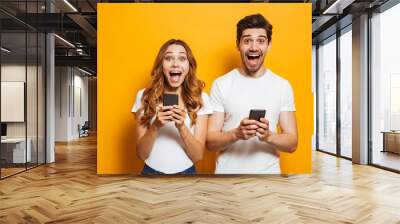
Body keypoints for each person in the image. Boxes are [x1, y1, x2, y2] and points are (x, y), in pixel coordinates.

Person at [206, 14, 298, 174]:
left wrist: (268, 136)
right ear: (238, 45)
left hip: (268, 182)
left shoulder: (282, 86)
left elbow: (292, 143)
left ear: (269, 45)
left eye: (261, 41)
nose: (254, 47)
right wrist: (236, 133)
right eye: (247, 40)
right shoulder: (221, 84)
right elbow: (210, 142)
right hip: (227, 182)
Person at [132, 39, 212, 175]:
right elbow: (141, 154)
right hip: (151, 173)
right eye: (168, 58)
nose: (175, 64)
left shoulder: (201, 99)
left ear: (189, 66)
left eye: (182, 58)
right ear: (161, 65)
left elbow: (198, 156)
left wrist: (181, 127)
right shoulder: (144, 96)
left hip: (187, 174)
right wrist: (156, 126)